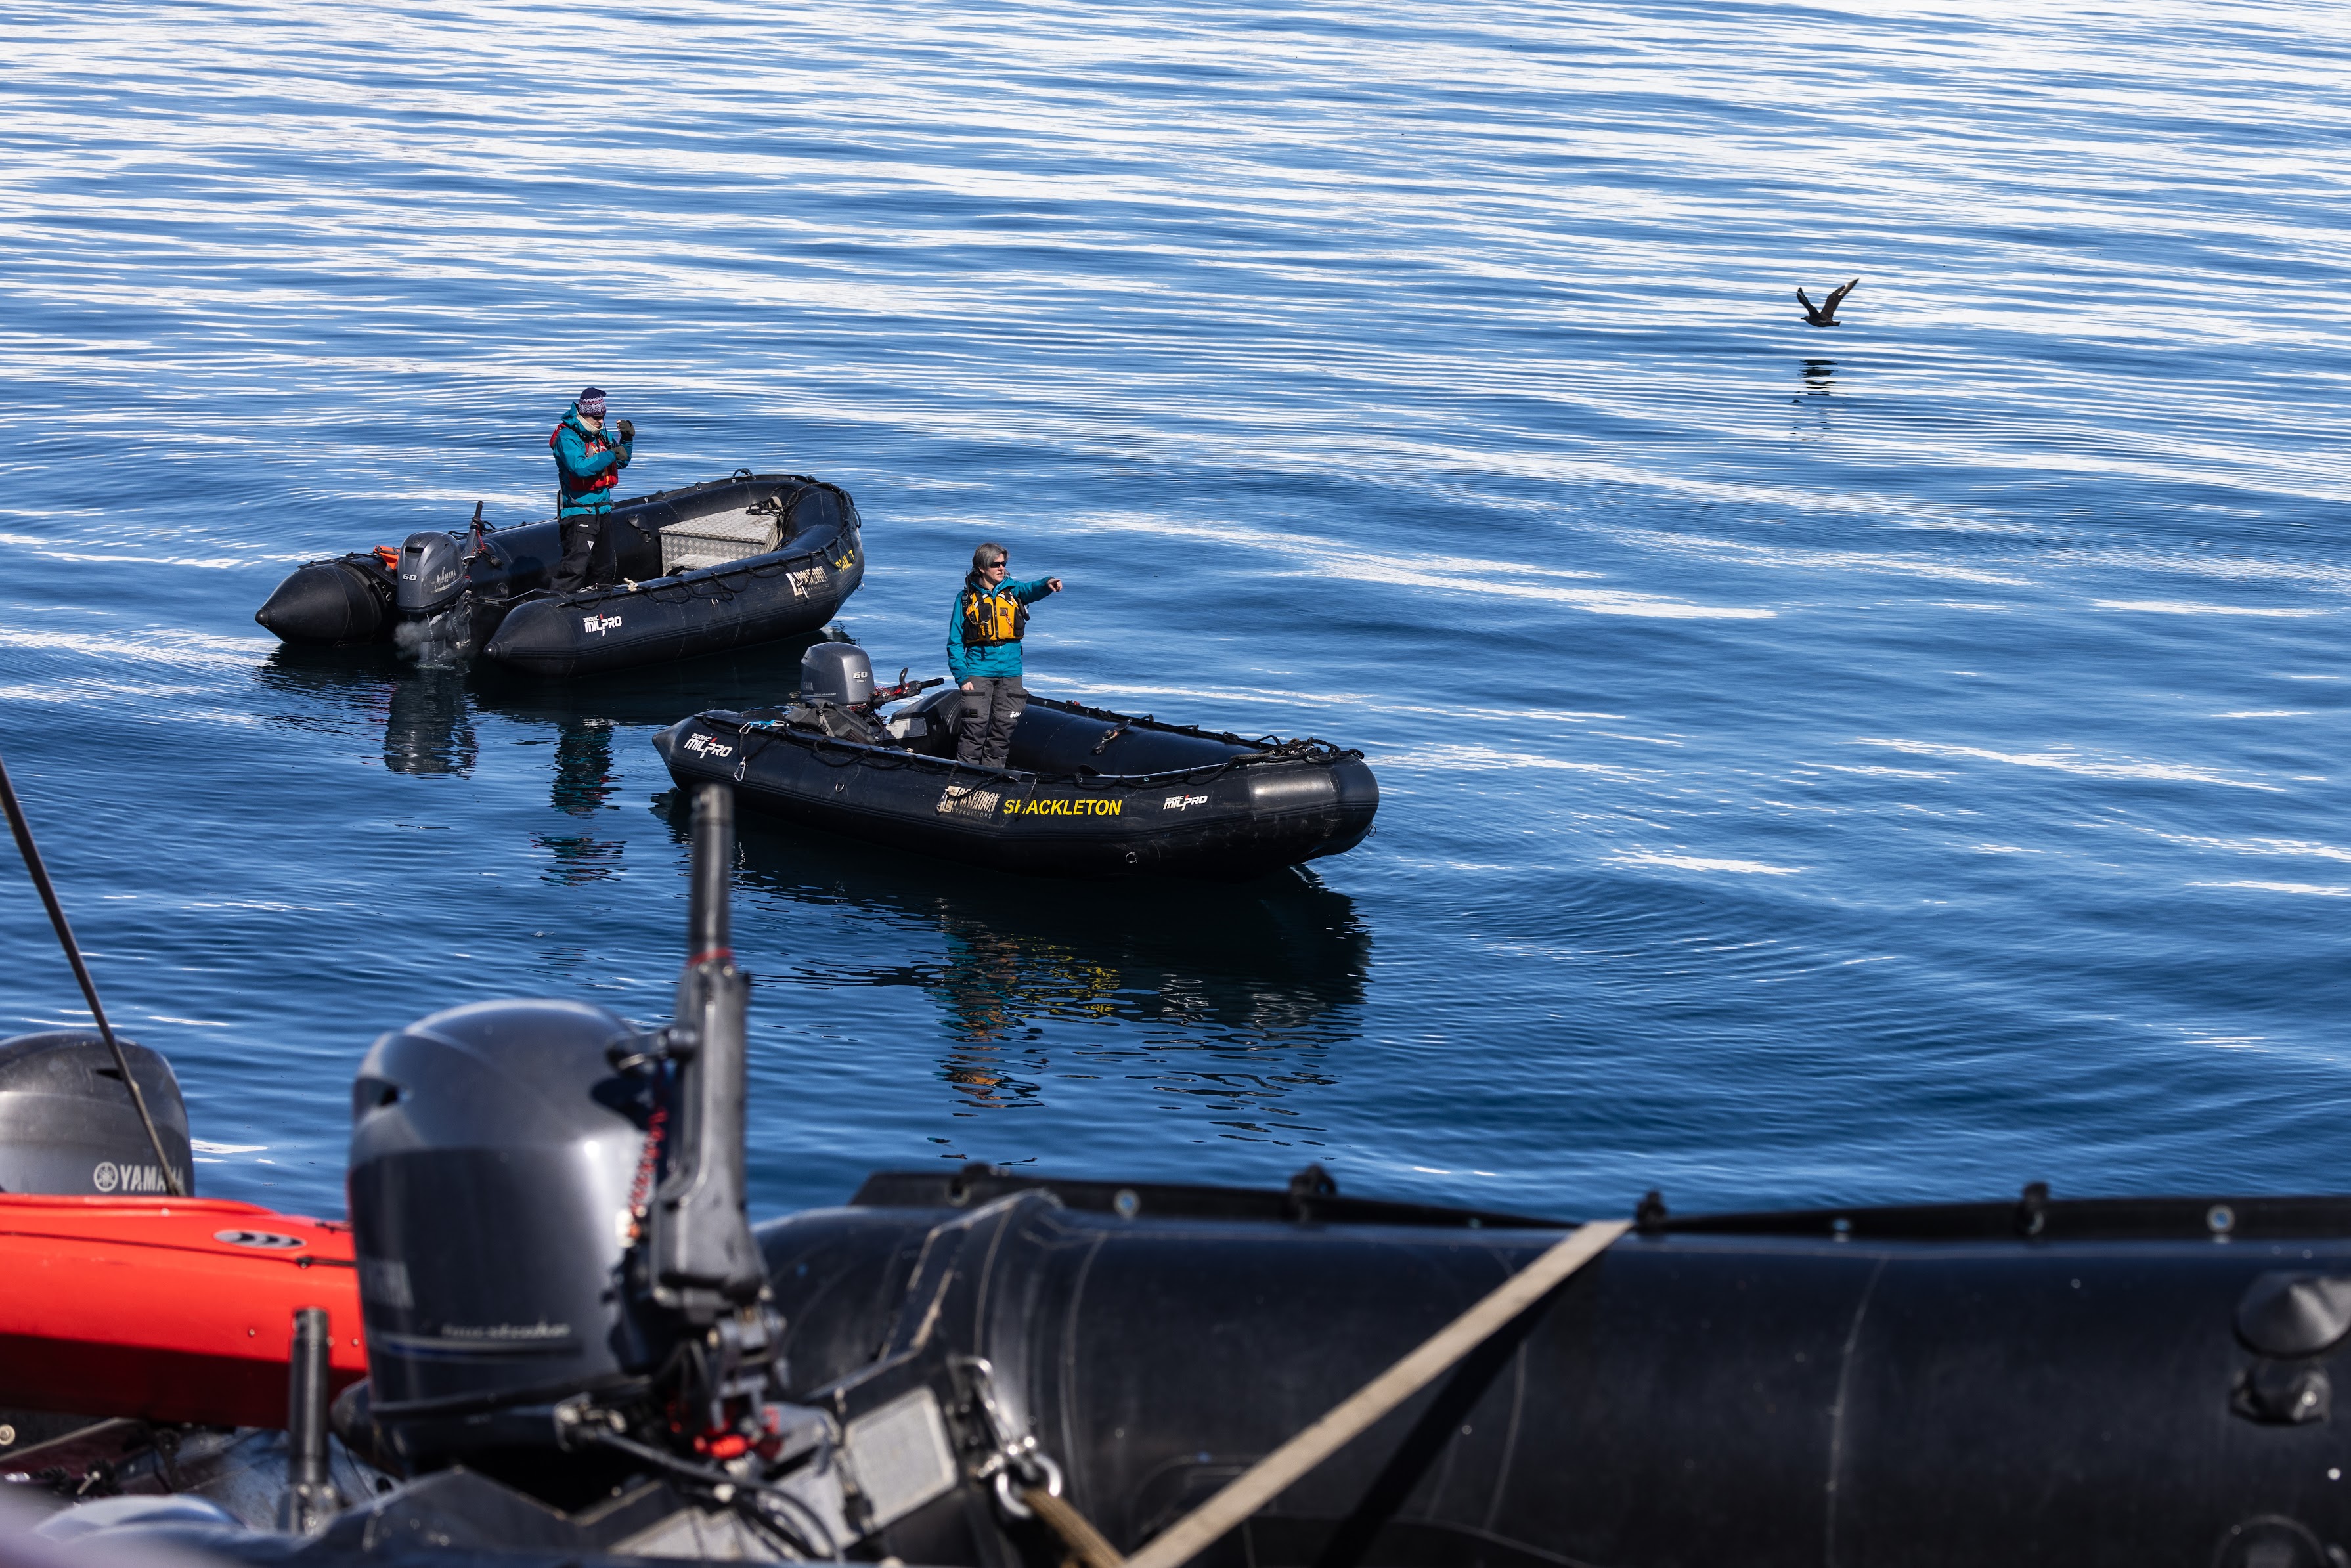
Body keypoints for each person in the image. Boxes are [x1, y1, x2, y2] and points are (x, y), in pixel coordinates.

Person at [944, 541, 1063, 777]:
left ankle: (991, 779)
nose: (1001, 569)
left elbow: (1033, 590)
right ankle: (962, 780)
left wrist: (1048, 583)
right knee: (975, 729)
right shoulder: (965, 599)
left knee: (1003, 730)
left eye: (1004, 564)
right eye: (996, 565)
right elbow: (955, 641)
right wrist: (962, 676)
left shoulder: (1013, 590)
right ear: (981, 567)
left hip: (1011, 671)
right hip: (978, 670)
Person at [548, 387, 634, 593]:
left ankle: (599, 606)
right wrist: (611, 455)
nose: (601, 422)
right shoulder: (567, 437)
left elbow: (620, 461)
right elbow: (579, 467)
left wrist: (627, 440)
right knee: (574, 570)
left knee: (604, 567)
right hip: (580, 514)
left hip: (603, 511)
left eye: (603, 417)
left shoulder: (600, 435)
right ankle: (556, 608)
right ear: (584, 414)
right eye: (597, 418)